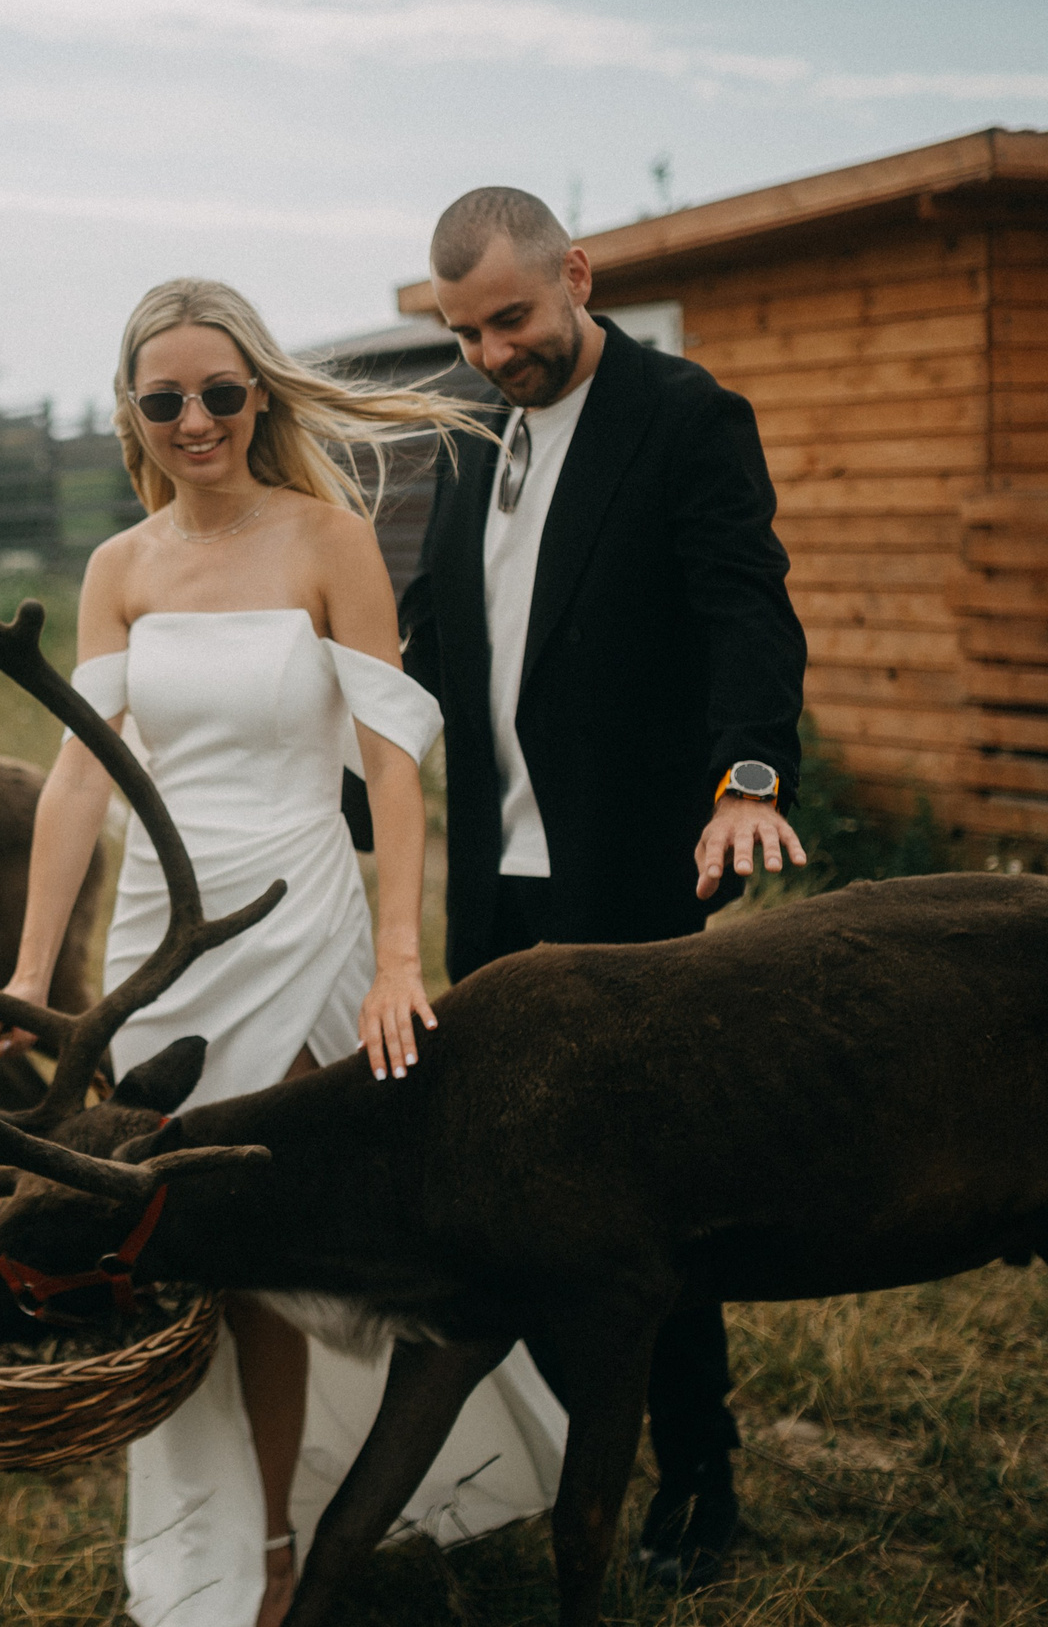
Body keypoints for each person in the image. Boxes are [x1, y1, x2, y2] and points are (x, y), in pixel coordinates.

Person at [0, 278, 566, 1627]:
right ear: (133, 415)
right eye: (165, 400)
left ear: (260, 393)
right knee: (163, 1240)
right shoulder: (119, 569)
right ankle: (212, 1532)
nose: (196, 421)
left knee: (270, 1239)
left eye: (221, 393)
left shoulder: (330, 542)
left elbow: (392, 764)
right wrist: (31, 974)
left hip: (298, 912)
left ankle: (273, 1555)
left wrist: (396, 959)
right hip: (159, 943)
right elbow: (81, 779)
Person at [398, 187, 810, 1588]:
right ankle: (557, 1451)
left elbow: (744, 600)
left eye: (512, 318)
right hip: (493, 893)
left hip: (626, 876)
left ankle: (697, 1472)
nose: (494, 352)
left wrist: (747, 775)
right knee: (519, 1191)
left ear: (576, 275)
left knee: (644, 1197)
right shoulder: (470, 445)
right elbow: (429, 645)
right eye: (465, 333)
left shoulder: (685, 417)